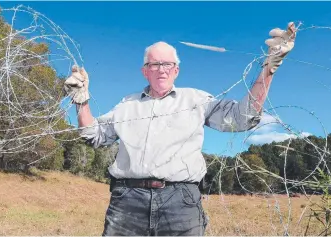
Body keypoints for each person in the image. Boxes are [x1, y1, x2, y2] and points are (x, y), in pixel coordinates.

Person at [63, 22, 297, 236]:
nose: (161, 69)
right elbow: (93, 136)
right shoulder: (127, 104)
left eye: (168, 64)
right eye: (154, 64)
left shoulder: (196, 99)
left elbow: (242, 118)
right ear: (145, 70)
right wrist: (81, 101)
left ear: (176, 70)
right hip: (127, 202)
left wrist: (270, 67)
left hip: (181, 203)